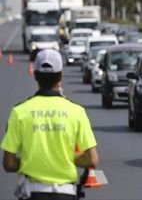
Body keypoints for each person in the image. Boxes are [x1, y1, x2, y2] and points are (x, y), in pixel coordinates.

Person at [1, 49, 99, 200]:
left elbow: (8, 163)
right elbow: (92, 160)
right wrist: (63, 157)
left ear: (35, 75)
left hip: (32, 193)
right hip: (66, 193)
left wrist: (33, 160)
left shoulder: (19, 112)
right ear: (60, 76)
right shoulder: (76, 112)